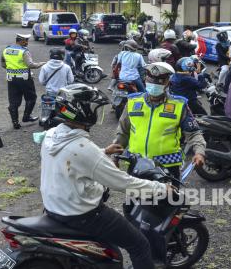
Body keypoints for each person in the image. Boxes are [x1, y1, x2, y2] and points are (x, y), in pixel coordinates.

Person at [40, 84, 170, 269]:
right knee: (139, 244)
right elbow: (122, 182)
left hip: (54, 207)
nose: (96, 113)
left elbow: (73, 159)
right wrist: (161, 188)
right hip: (83, 214)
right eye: (94, 108)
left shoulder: (52, 135)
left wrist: (103, 151)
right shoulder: (84, 148)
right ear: (81, 111)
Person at [115, 62, 206, 180]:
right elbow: (123, 133)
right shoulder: (133, 102)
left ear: (167, 82)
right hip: (136, 166)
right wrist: (115, 157)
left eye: (159, 81)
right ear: (145, 81)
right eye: (150, 80)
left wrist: (199, 152)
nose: (154, 84)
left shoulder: (179, 105)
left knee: (168, 198)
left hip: (167, 168)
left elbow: (194, 133)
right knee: (136, 198)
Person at [1, 33, 45, 129]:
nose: (27, 43)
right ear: (20, 41)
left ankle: (15, 122)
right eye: (26, 41)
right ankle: (26, 116)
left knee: (13, 101)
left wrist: (13, 69)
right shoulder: (23, 51)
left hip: (11, 79)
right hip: (24, 79)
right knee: (31, 98)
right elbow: (30, 65)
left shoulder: (6, 49)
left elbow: (3, 64)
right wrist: (42, 63)